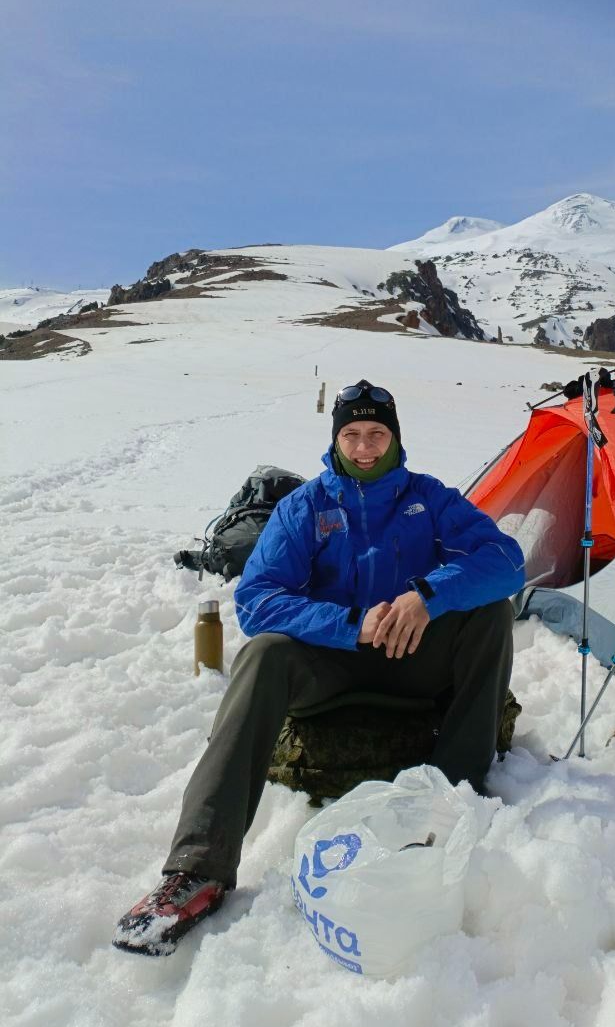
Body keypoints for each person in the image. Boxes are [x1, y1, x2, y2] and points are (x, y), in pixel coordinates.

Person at [113, 379, 525, 956]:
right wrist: (350, 623)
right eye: (351, 434)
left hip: (413, 658)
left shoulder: (430, 498)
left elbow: (507, 560)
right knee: (263, 654)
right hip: (332, 663)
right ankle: (197, 869)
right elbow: (257, 600)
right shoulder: (303, 507)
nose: (363, 447)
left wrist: (427, 596)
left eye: (376, 433)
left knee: (491, 614)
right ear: (336, 439)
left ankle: (450, 799)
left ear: (395, 437)